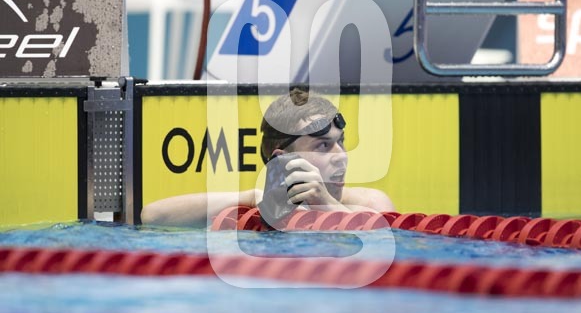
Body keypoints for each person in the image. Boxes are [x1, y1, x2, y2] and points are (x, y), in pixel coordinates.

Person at [141, 88, 395, 227]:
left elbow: (382, 241)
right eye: (322, 146)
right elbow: (153, 216)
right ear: (283, 160)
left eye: (341, 142)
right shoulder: (259, 206)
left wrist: (325, 202)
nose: (342, 156)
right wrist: (252, 197)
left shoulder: (370, 201)